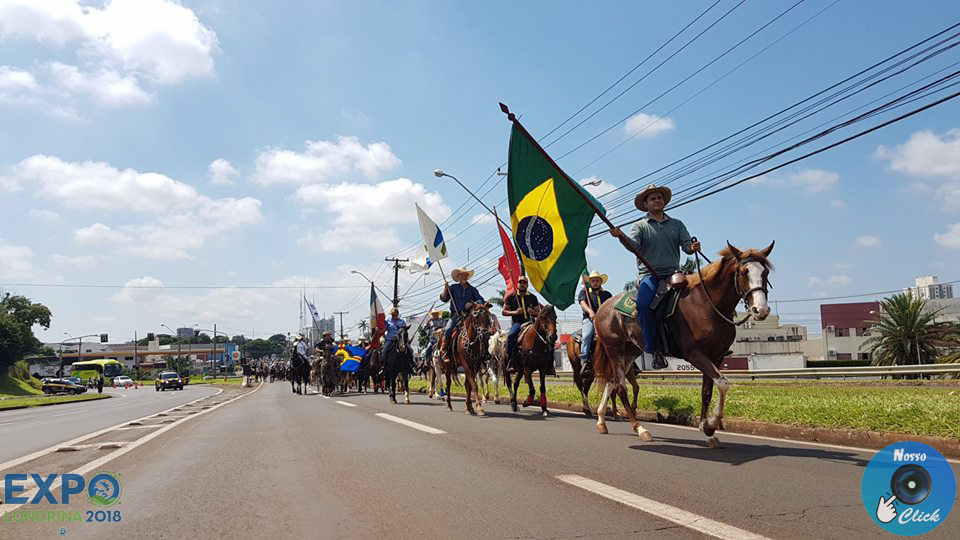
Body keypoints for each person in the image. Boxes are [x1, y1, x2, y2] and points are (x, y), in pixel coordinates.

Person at [610, 184, 700, 370]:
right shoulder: (640, 226)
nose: (657, 200)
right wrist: (621, 236)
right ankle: (653, 349)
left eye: (660, 197)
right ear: (646, 204)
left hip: (674, 274)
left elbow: (686, 246)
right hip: (649, 276)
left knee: (699, 297)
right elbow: (634, 245)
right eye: (653, 198)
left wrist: (693, 247)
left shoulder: (677, 224)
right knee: (644, 305)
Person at [439, 267, 485, 363]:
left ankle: (484, 352)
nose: (464, 276)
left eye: (466, 274)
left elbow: (481, 300)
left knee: (482, 328)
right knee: (448, 329)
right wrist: (445, 288)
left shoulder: (473, 289)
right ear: (458, 276)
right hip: (456, 315)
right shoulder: (453, 288)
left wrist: (473, 303)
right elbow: (443, 299)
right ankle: (444, 351)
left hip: (469, 315)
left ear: (468, 276)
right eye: (462, 274)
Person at [501, 275, 540, 373]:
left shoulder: (532, 297)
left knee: (546, 336)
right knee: (511, 336)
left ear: (527, 285)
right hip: (518, 322)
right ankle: (511, 361)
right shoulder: (511, 297)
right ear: (517, 284)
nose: (522, 284)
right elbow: (504, 312)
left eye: (524, 283)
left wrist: (533, 312)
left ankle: (548, 364)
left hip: (531, 322)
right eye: (520, 283)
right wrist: (515, 312)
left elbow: (539, 312)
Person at [578, 270, 612, 377]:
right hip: (589, 319)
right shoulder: (584, 292)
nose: (595, 282)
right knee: (587, 335)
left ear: (601, 281)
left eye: (597, 280)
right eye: (593, 281)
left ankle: (630, 363)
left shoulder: (607, 294)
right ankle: (584, 359)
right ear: (590, 282)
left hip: (605, 320)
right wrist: (590, 311)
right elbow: (582, 303)